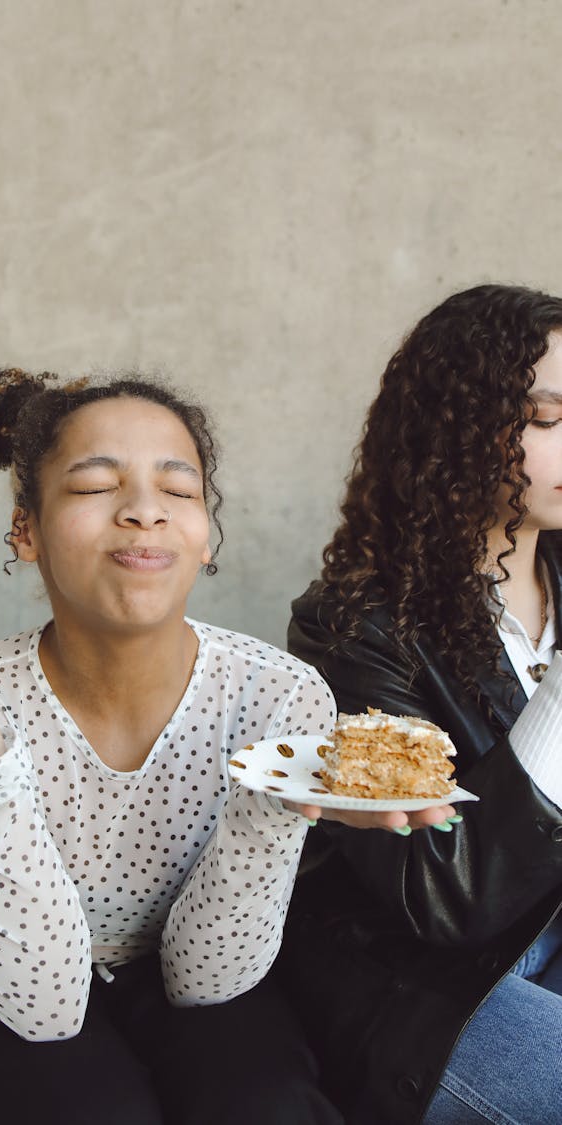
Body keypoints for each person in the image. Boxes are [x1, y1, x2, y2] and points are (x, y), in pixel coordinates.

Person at [0, 369, 450, 1125]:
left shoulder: (279, 696)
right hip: (6, 963)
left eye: (179, 492)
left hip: (190, 955)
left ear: (206, 535)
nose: (145, 511)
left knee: (269, 1108)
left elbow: (207, 979)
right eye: (94, 487)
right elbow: (43, 1007)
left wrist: (271, 809)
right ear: (26, 530)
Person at [281, 284, 562, 1125]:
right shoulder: (353, 624)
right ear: (458, 424)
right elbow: (444, 896)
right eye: (548, 417)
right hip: (429, 998)